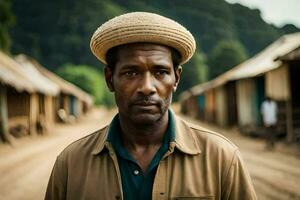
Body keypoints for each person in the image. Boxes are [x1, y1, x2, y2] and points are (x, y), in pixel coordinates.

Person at [45, 12, 257, 200]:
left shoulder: (221, 158)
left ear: (176, 79)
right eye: (131, 72)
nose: (147, 87)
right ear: (110, 79)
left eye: (160, 72)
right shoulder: (71, 164)